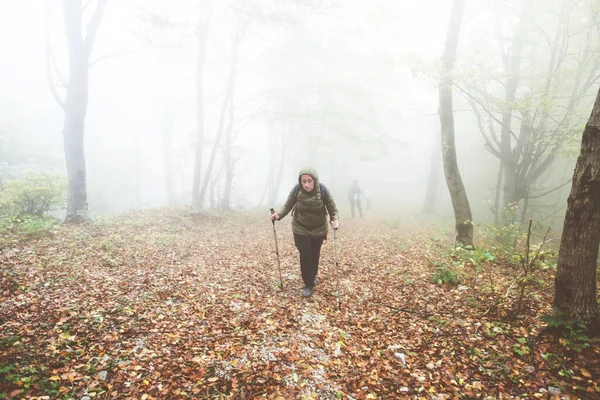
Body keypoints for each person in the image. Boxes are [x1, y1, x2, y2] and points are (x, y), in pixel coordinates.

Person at [270, 167, 339, 297]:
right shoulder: (297, 190)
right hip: (300, 227)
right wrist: (278, 216)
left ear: (315, 180)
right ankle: (308, 284)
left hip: (318, 228)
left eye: (309, 181)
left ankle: (312, 276)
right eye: (304, 181)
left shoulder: (322, 190)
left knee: (314, 255)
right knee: (305, 255)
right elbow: (288, 205)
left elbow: (332, 208)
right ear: (300, 182)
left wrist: (335, 220)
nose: (306, 184)